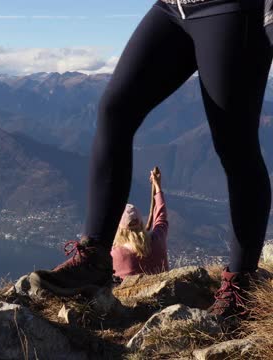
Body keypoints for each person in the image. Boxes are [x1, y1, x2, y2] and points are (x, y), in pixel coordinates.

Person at [30, 0, 273, 318]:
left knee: (235, 144)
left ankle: (241, 286)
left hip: (230, 9)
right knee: (114, 111)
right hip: (172, 7)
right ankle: (95, 259)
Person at [110, 169, 168, 280]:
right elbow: (161, 217)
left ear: (120, 229)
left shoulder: (116, 254)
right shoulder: (158, 239)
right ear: (141, 223)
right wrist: (157, 186)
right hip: (166, 293)